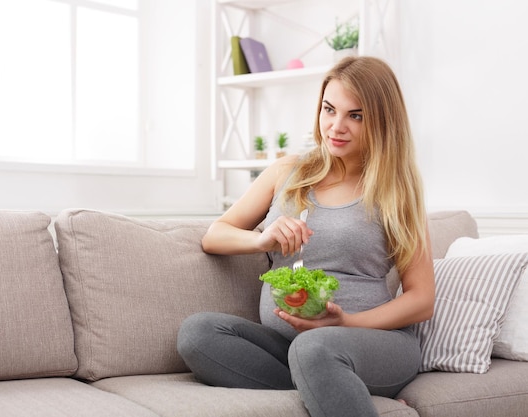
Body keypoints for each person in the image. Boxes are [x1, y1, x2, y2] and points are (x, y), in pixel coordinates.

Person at [176, 56, 435, 417]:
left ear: (382, 119)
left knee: (314, 349)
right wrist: (261, 240)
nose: (336, 126)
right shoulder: (287, 171)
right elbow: (214, 236)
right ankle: (334, 388)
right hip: (288, 345)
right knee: (199, 333)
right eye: (329, 109)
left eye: (355, 115)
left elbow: (422, 299)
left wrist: (345, 322)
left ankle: (332, 376)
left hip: (374, 343)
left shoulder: (397, 191)